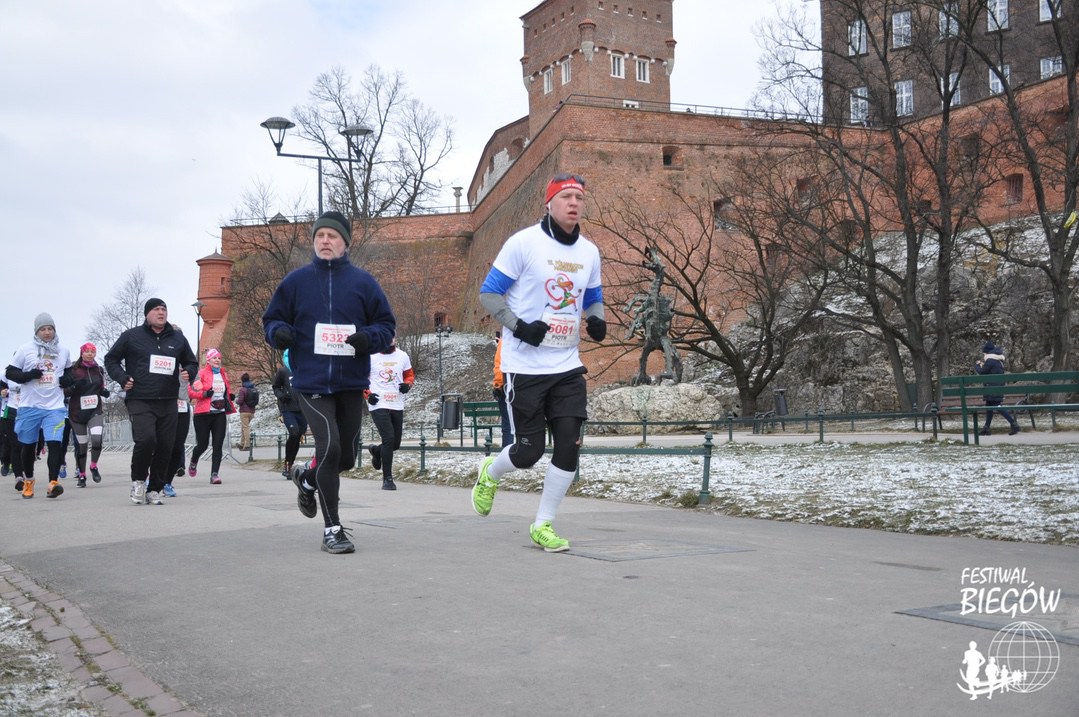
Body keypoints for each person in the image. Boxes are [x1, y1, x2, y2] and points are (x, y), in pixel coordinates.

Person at [471, 172, 606, 552]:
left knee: (569, 445)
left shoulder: (589, 252)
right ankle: (491, 470)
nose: (573, 203)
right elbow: (489, 293)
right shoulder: (524, 243)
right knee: (528, 453)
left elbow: (592, 296)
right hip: (525, 367)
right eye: (565, 197)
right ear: (549, 203)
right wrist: (519, 326)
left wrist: (596, 319)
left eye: (579, 197)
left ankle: (543, 524)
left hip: (566, 364)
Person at [262, 210, 396, 554]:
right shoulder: (296, 282)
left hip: (350, 382)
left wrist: (369, 339)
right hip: (311, 382)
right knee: (330, 448)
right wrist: (279, 333)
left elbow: (386, 326)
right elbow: (271, 319)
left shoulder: (363, 283)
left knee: (346, 458)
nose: (325, 240)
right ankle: (332, 529)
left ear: (345, 242)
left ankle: (307, 479)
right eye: (319, 235)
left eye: (332, 236)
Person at [104, 298, 198, 505]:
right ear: (147, 314)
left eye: (164, 309)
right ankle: (138, 481)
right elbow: (111, 359)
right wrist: (122, 378)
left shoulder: (177, 338)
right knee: (146, 440)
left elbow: (191, 362)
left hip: (168, 399)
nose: (161, 312)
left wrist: (189, 372)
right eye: (156, 309)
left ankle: (154, 488)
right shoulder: (131, 336)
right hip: (140, 398)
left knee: (166, 446)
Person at [4, 313, 73, 499]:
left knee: (55, 443)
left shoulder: (63, 350)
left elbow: (69, 372)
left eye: (50, 328)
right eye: (43, 329)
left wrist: (67, 380)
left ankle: (53, 483)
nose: (47, 332)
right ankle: (28, 481)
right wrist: (27, 375)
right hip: (30, 406)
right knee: (28, 446)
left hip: (55, 407)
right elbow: (10, 372)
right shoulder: (25, 349)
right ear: (36, 331)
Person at [365, 335, 414, 491]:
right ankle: (387, 479)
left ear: (395, 339)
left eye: (391, 337)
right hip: (378, 402)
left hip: (396, 403)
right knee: (389, 438)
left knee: (395, 444)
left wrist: (407, 385)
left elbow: (409, 375)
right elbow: (361, 378)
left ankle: (376, 451)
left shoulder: (403, 356)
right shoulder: (371, 356)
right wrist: (367, 394)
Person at [65, 342, 110, 488]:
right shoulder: (73, 370)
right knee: (82, 446)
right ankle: (82, 474)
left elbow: (100, 387)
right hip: (77, 413)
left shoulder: (99, 370)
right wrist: (74, 387)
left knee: (96, 439)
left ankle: (93, 466)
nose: (90, 354)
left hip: (94, 410)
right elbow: (64, 392)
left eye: (93, 351)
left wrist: (104, 392)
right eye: (87, 351)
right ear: (82, 353)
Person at [187, 348, 235, 484]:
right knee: (202, 444)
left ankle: (214, 475)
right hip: (203, 413)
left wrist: (229, 396)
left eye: (219, 358)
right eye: (214, 358)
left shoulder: (223, 374)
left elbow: (225, 391)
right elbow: (191, 391)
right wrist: (204, 394)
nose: (217, 360)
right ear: (208, 360)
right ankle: (194, 461)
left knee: (218, 444)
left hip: (219, 413)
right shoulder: (201, 373)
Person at [272, 349, 308, 479]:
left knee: (297, 436)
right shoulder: (283, 371)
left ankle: (290, 464)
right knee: (294, 433)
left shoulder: (303, 370)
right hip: (288, 409)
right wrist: (282, 396)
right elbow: (275, 387)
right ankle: (287, 465)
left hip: (302, 410)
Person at [975, 340, 1020, 436]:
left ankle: (1013, 423)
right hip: (997, 387)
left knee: (996, 406)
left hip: (992, 388)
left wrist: (977, 365)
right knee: (989, 406)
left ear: (987, 352)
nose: (983, 354)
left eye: (984, 353)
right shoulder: (998, 360)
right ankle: (986, 428)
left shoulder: (990, 360)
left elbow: (982, 372)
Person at [491, 332, 513, 448]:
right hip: (527, 386)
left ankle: (508, 453)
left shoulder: (505, 342)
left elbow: (499, 364)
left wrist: (498, 385)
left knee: (508, 424)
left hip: (507, 386)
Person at [236, 372, 256, 450]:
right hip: (252, 411)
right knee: (243, 427)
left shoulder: (243, 389)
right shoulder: (253, 388)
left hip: (244, 411)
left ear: (242, 380)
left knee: (245, 427)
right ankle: (242, 443)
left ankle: (247, 445)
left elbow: (240, 401)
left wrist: (237, 401)